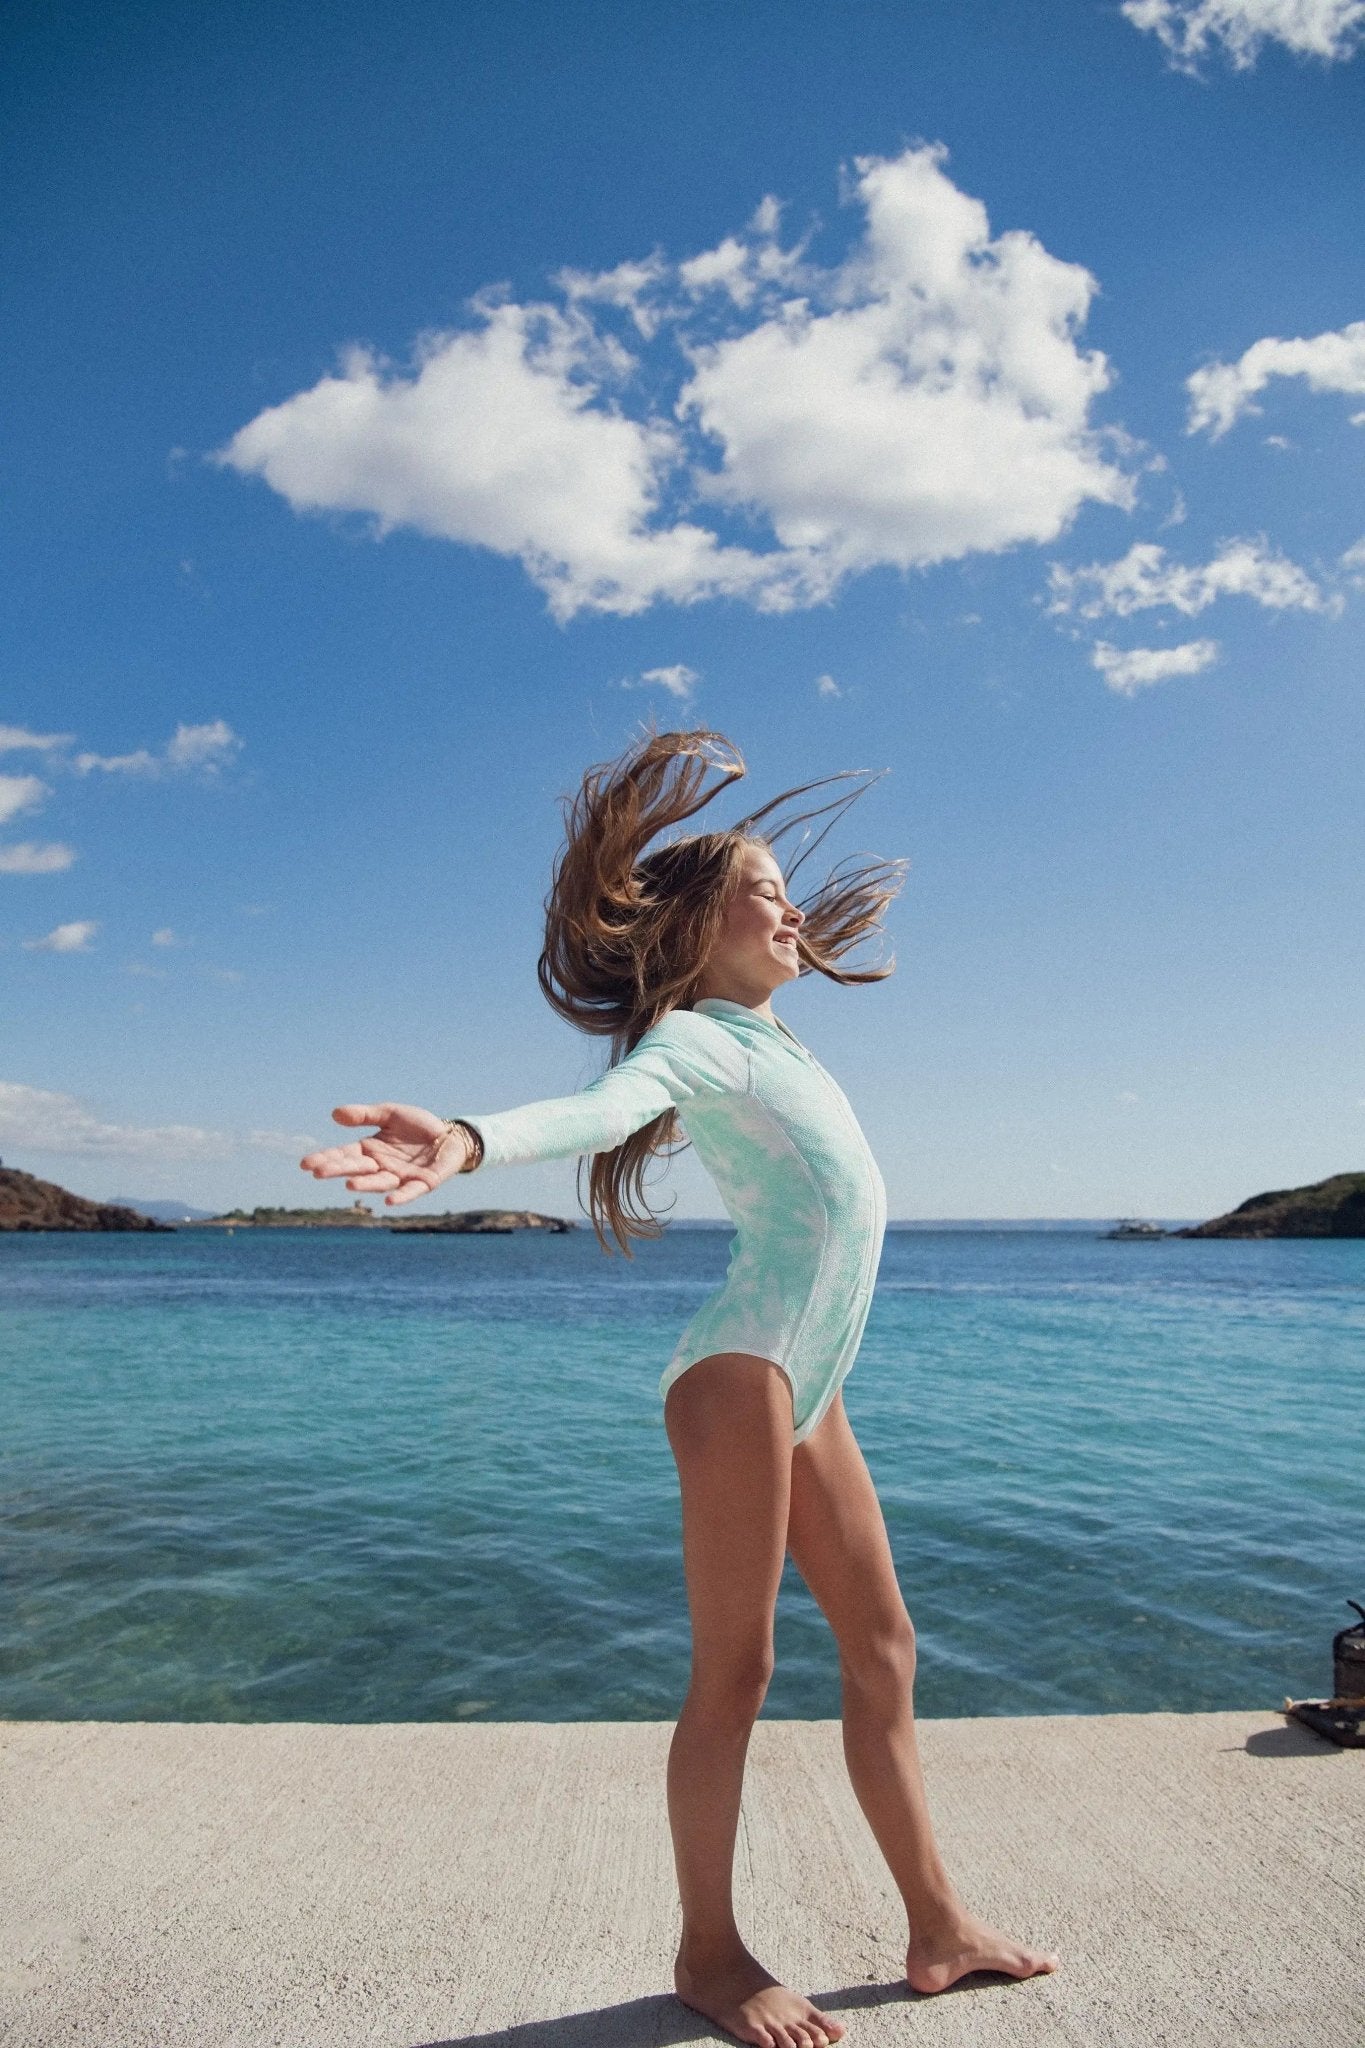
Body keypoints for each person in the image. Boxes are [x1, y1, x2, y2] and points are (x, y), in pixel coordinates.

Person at [301, 727, 1058, 2048]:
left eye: (781, 886)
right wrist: (473, 1139)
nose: (783, 902)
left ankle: (936, 1925)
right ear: (695, 930)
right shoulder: (703, 1040)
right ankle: (708, 1953)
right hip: (737, 1372)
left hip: (806, 1382)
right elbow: (604, 1107)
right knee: (739, 1671)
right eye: (752, 887)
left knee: (883, 1650)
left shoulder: (784, 1046)